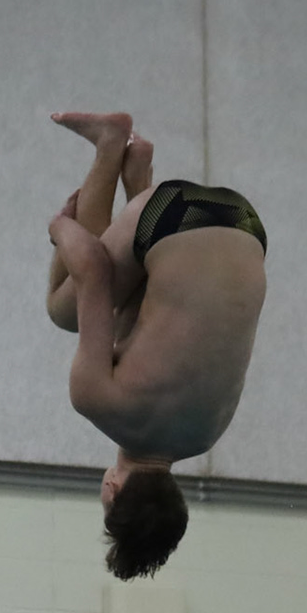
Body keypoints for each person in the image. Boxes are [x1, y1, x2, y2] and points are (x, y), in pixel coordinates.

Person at [45, 111, 268, 578]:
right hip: (171, 215)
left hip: (246, 225)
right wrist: (60, 228)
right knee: (65, 311)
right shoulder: (97, 401)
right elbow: (90, 265)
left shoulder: (208, 434)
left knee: (127, 314)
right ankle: (110, 144)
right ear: (111, 492)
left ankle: (137, 172)